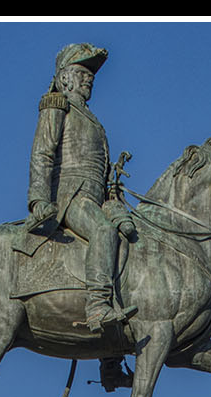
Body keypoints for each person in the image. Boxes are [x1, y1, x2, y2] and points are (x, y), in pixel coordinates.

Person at [26, 42, 137, 331]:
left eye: (91, 75)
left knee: (132, 233)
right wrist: (39, 200)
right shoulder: (57, 106)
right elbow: (42, 153)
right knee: (103, 231)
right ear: (65, 78)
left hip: (97, 198)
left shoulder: (92, 119)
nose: (89, 79)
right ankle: (97, 306)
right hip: (71, 195)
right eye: (82, 73)